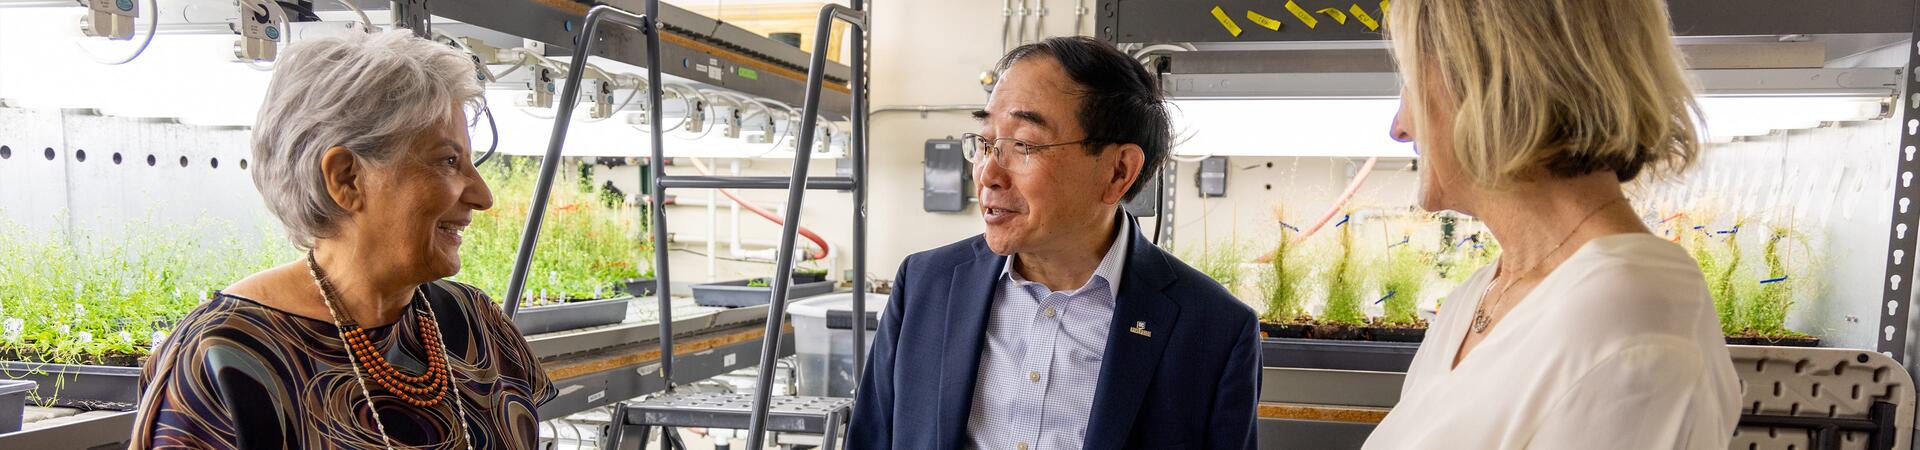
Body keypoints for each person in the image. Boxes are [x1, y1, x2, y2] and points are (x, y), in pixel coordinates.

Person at [130, 30, 552, 449]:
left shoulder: (475, 323)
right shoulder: (226, 358)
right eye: (448, 161)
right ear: (346, 178)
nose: (483, 196)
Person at [847, 36, 1260, 450]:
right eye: (986, 142)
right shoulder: (926, 284)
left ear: (1118, 172)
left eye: (1023, 145)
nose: (989, 173)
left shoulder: (1213, 330)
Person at [1361, 0, 1740, 448]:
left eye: (1408, 80)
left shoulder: (1626, 323)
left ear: (1484, 82)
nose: (1399, 127)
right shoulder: (1482, 294)